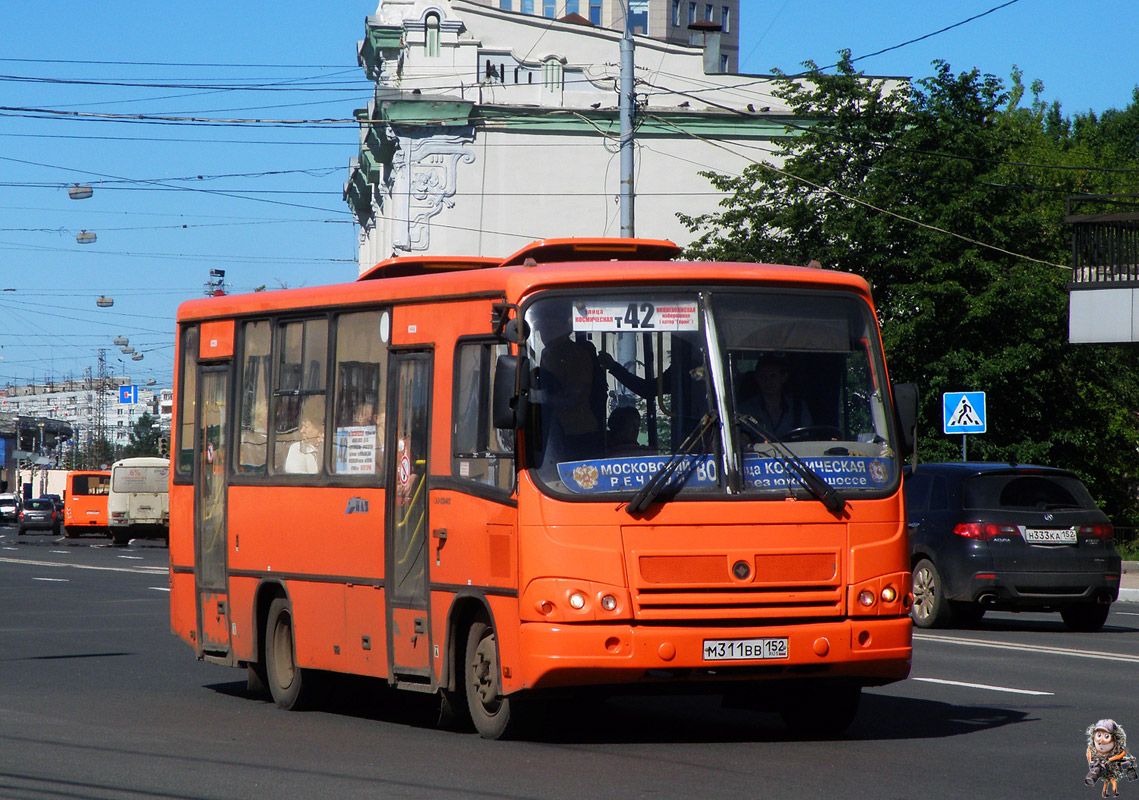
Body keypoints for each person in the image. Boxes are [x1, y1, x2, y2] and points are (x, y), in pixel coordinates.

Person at [533, 302, 607, 462]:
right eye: (541, 329)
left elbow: (572, 399)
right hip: (553, 429)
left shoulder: (576, 354)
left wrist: (538, 398)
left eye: (548, 327)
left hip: (579, 432)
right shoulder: (548, 353)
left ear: (563, 326)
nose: (543, 333)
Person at [737, 354, 812, 438]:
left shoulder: (799, 408)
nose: (768, 381)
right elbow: (742, 440)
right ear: (757, 378)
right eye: (763, 376)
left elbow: (807, 437)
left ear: (783, 377)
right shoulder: (745, 410)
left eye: (773, 376)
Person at [284, 399, 325, 474]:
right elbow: (298, 478)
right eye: (302, 426)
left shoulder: (330, 448)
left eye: (306, 426)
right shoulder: (297, 449)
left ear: (319, 429)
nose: (302, 431)